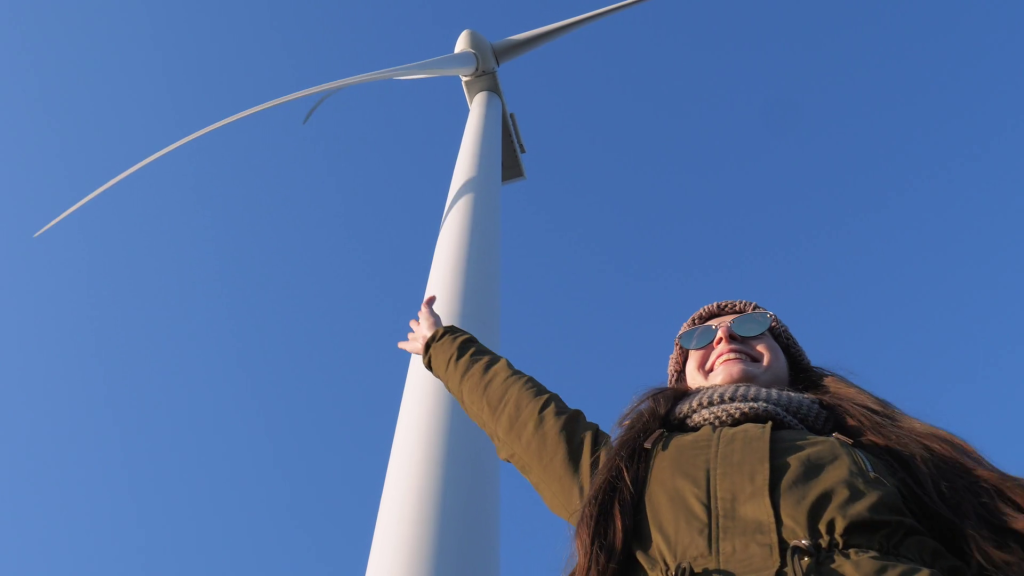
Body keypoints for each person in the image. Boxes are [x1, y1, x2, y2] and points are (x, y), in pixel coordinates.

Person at [399, 297, 1024, 576]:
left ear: (787, 360)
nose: (724, 337)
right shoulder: (625, 475)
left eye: (749, 325)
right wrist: (444, 348)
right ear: (681, 375)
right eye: (700, 337)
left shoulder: (883, 451)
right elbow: (529, 421)